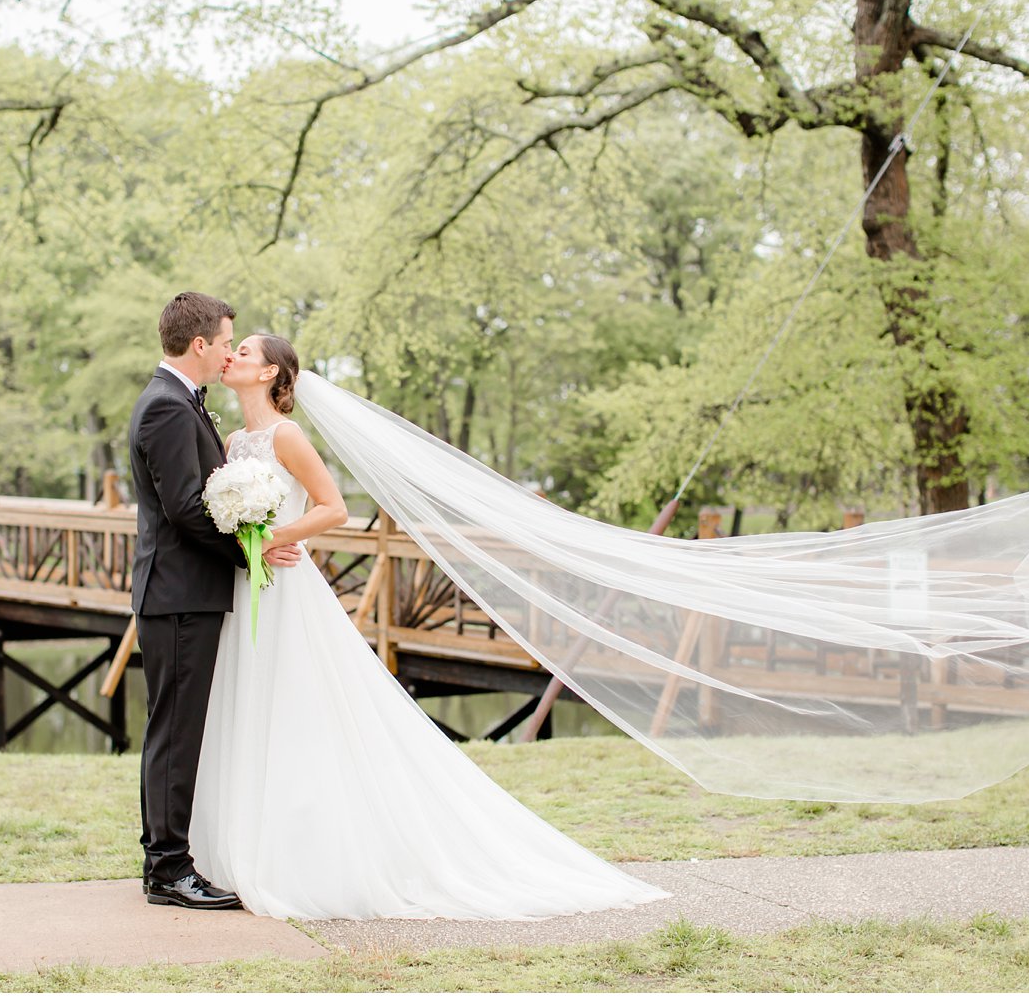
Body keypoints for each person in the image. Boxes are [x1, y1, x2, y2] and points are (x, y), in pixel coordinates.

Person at [188, 332, 669, 919]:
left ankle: (307, 852)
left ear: (269, 374)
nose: (231, 356)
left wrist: (273, 537)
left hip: (286, 586)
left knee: (297, 705)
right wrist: (245, 541)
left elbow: (333, 508)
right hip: (249, 583)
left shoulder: (287, 437)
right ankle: (241, 847)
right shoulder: (234, 439)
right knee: (246, 702)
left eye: (245, 352)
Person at [127, 294, 300, 911]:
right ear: (200, 344)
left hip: (182, 594)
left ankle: (164, 861)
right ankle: (169, 868)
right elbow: (186, 509)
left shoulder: (180, 403)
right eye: (226, 340)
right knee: (175, 732)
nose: (230, 350)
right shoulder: (169, 408)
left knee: (173, 729)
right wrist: (249, 554)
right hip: (178, 594)